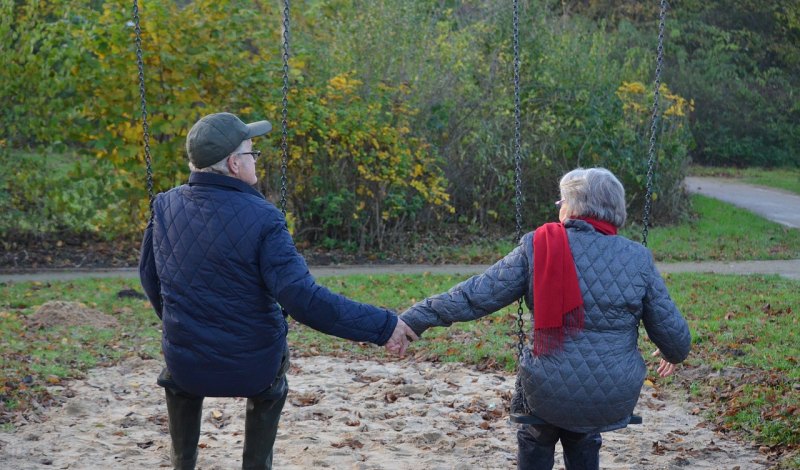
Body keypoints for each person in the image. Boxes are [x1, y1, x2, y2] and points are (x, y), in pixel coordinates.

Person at [139, 112, 416, 470]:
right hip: (253, 367)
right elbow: (305, 301)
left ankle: (183, 462)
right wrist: (383, 325)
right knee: (272, 384)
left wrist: (182, 321)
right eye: (253, 153)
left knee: (180, 374)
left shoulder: (164, 206)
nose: (257, 161)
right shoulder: (264, 218)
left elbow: (149, 277)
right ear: (235, 164)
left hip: (186, 362)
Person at [395, 167, 691, 470]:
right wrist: (671, 351)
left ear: (575, 206)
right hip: (610, 393)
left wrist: (415, 319)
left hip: (546, 390)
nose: (559, 207)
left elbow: (475, 297)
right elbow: (677, 340)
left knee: (537, 429)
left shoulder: (538, 245)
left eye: (561, 201)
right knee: (584, 432)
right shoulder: (637, 257)